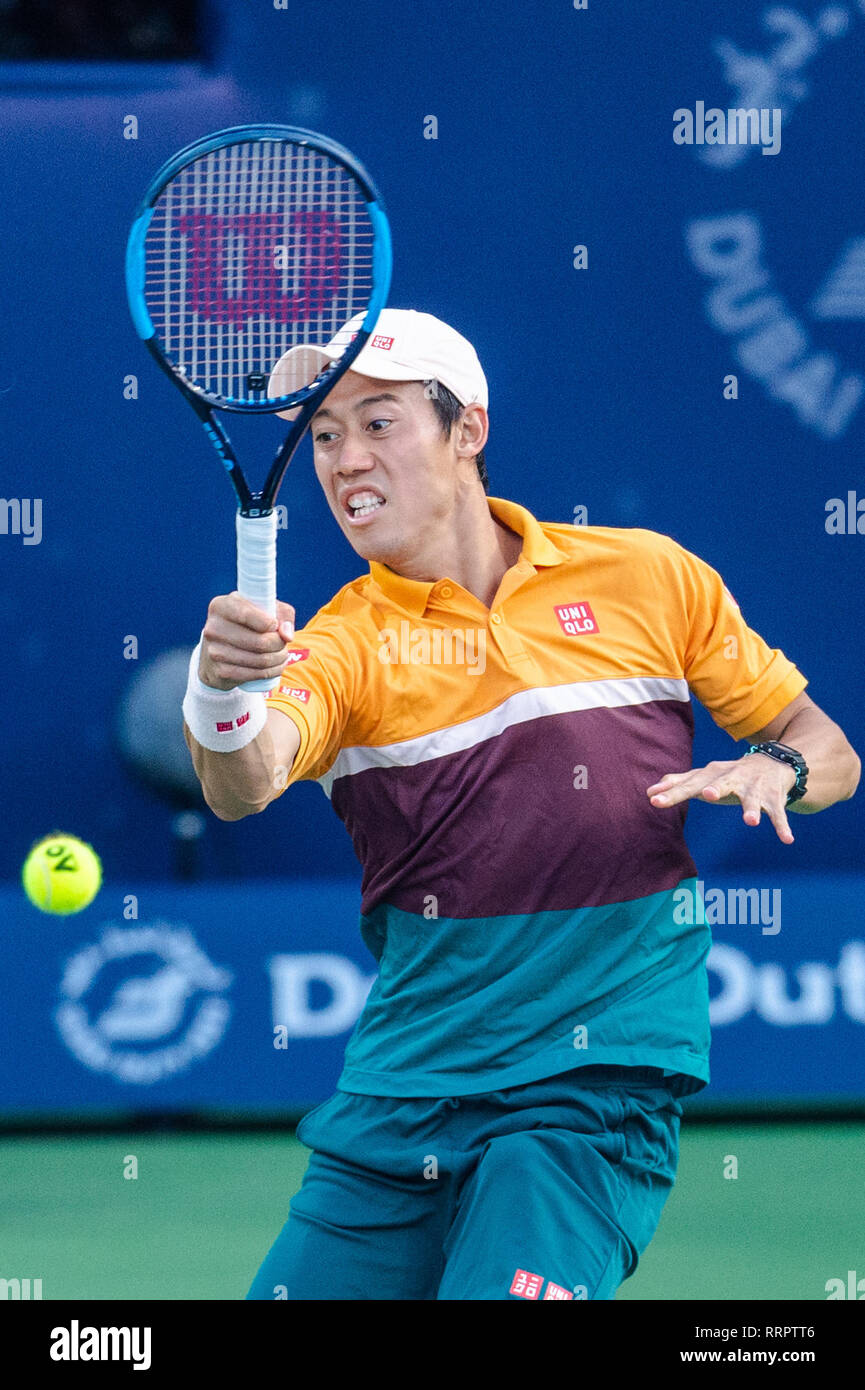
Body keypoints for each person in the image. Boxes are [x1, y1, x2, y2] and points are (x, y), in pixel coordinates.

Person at [182, 309, 860, 1301]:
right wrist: (219, 691)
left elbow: (827, 748)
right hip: (399, 1099)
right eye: (323, 433)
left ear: (468, 430)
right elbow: (239, 784)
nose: (342, 457)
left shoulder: (648, 579)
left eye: (379, 421)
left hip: (587, 1097)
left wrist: (776, 770)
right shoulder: (343, 645)